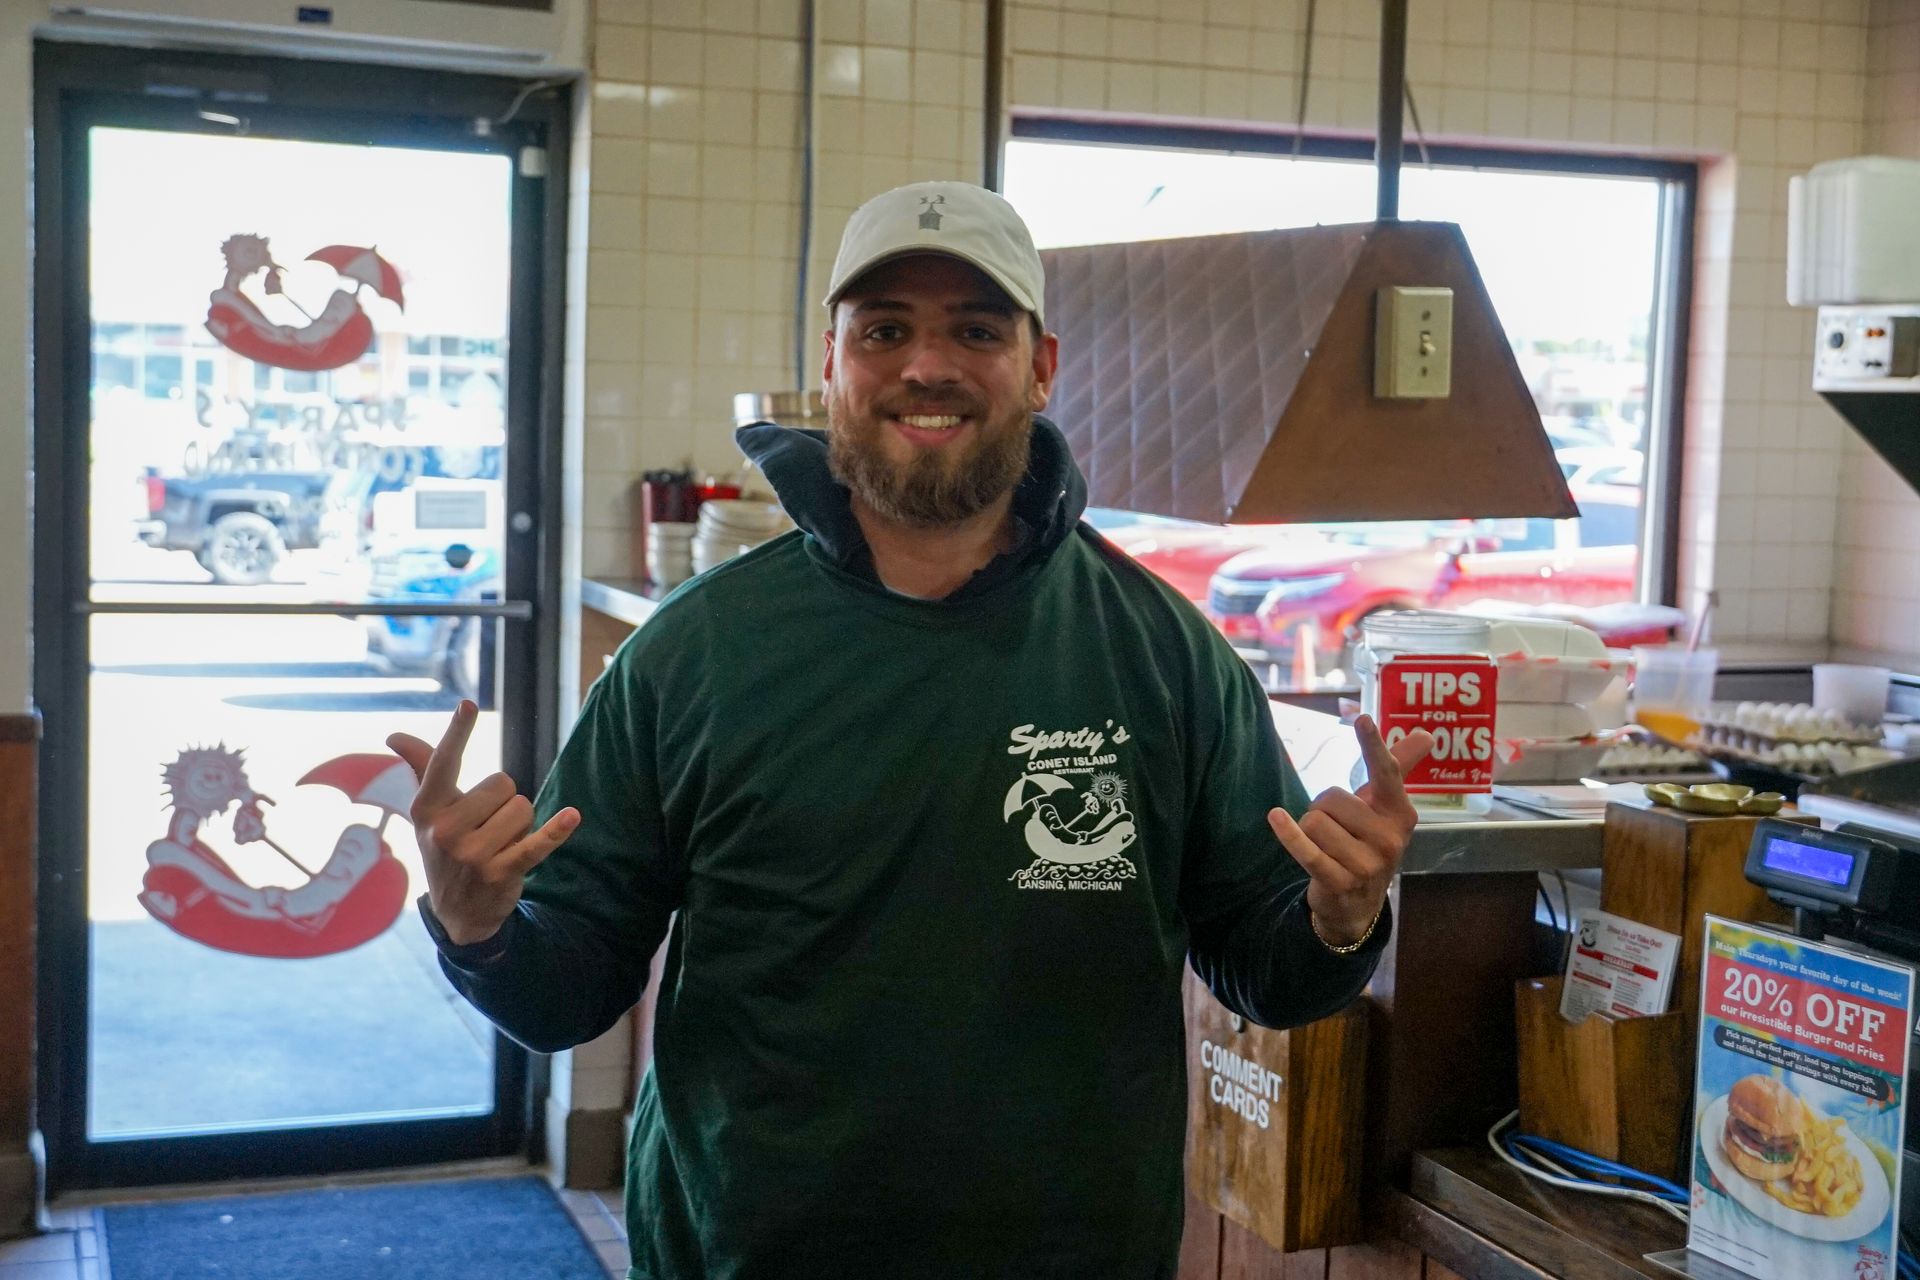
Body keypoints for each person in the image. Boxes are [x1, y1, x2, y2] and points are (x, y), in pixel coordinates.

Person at [387, 180, 1434, 1280]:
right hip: (750, 1245)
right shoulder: (696, 653)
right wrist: (481, 927)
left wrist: (1337, 917)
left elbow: (1261, 964)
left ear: (1041, 367)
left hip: (1073, 1249)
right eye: (885, 329)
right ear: (833, 363)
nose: (927, 366)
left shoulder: (1161, 652)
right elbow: (573, 982)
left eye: (976, 330)